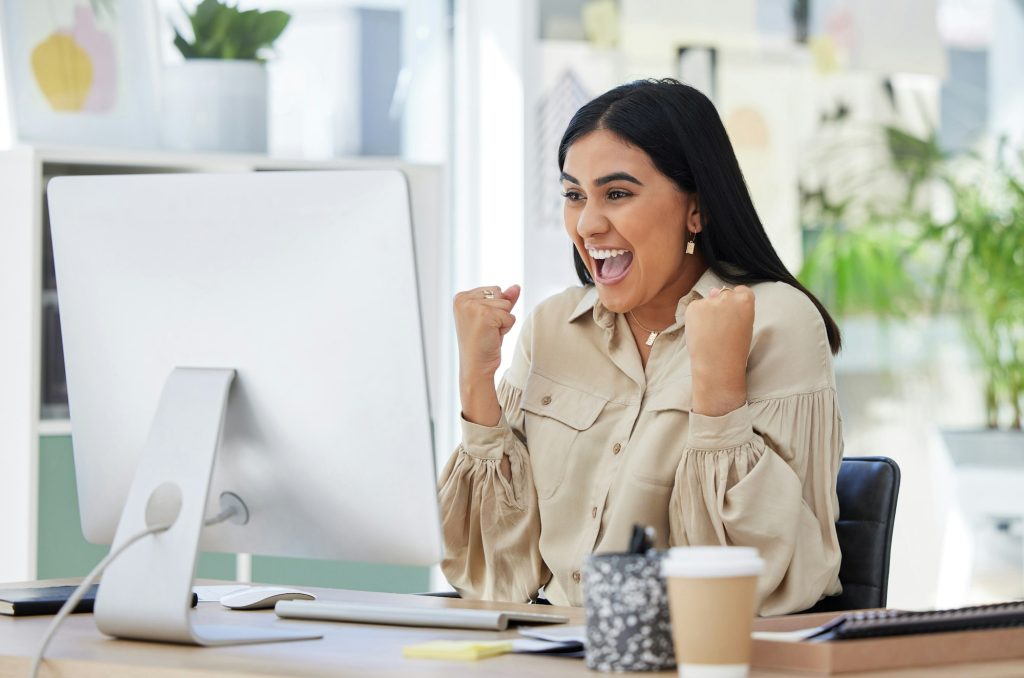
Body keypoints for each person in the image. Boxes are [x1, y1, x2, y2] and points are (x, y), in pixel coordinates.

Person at [439, 78, 843, 615]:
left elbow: (759, 583)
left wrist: (719, 389)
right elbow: (497, 574)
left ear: (695, 209)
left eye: (618, 194)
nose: (587, 224)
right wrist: (476, 381)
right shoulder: (551, 327)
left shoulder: (775, 321)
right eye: (574, 195)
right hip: (549, 648)